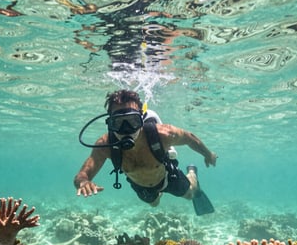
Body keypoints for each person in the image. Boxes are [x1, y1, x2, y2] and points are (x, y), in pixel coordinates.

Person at [74, 89, 217, 207]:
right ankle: (158, 194)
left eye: (132, 121)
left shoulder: (163, 134)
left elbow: (189, 138)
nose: (126, 130)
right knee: (154, 204)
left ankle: (192, 173)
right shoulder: (105, 146)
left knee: (191, 194)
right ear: (110, 123)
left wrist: (208, 154)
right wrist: (84, 182)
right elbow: (82, 175)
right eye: (118, 123)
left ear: (141, 119)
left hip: (167, 177)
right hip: (141, 186)